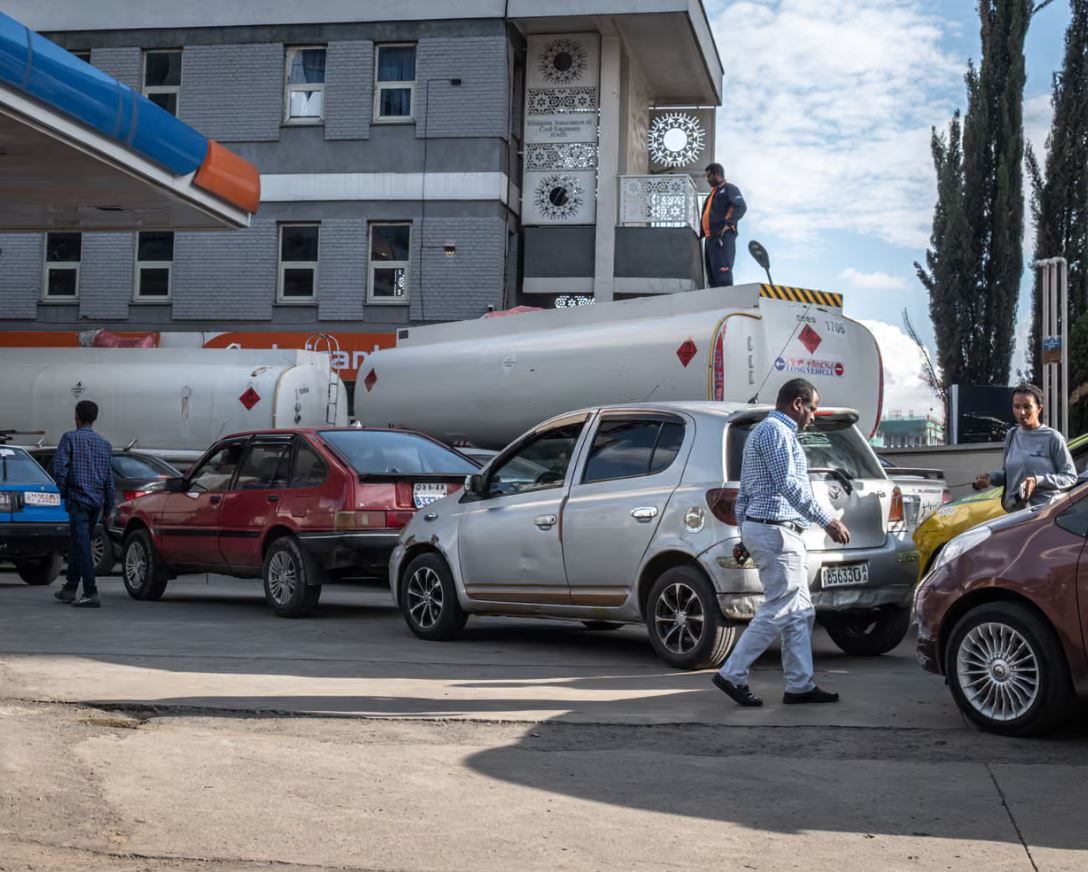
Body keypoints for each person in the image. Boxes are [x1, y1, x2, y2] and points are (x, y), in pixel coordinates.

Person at [713, 378, 850, 707]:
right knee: (782, 606)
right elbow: (789, 485)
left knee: (800, 611)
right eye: (812, 408)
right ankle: (732, 673)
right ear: (797, 404)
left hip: (771, 529)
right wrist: (827, 519)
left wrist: (746, 536)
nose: (813, 416)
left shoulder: (763, 432)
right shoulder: (777, 432)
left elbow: (746, 492)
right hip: (777, 531)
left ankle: (800, 685)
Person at [973, 383, 1076, 511]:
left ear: (1039, 408)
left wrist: (1038, 480)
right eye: (1017, 407)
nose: (1021, 412)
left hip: (1043, 513)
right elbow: (1009, 474)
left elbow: (1070, 477)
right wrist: (991, 478)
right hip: (1015, 513)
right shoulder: (1012, 435)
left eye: (1027, 407)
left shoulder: (1053, 437)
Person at [52, 400, 115, 608]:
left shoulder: (69, 438)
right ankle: (70, 589)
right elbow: (109, 479)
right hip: (96, 502)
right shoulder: (105, 444)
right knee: (79, 545)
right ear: (94, 419)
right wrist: (108, 508)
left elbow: (59, 468)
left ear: (76, 417)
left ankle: (90, 592)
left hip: (78, 500)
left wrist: (65, 491)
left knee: (82, 547)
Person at [700, 163, 746, 288]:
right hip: (710, 239)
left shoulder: (730, 188)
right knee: (712, 277)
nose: (707, 179)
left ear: (718, 175)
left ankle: (726, 304)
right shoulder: (712, 195)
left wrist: (728, 224)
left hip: (722, 237)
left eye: (709, 176)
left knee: (722, 275)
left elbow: (741, 207)